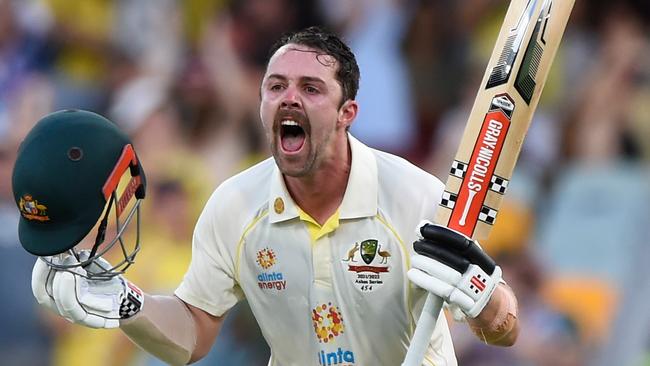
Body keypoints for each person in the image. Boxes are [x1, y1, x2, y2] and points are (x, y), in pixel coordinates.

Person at [14, 27, 519, 366]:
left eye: (311, 88)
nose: (289, 98)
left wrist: (485, 298)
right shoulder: (234, 205)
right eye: (275, 86)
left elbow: (504, 329)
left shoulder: (415, 197)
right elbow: (193, 331)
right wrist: (130, 306)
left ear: (348, 113)